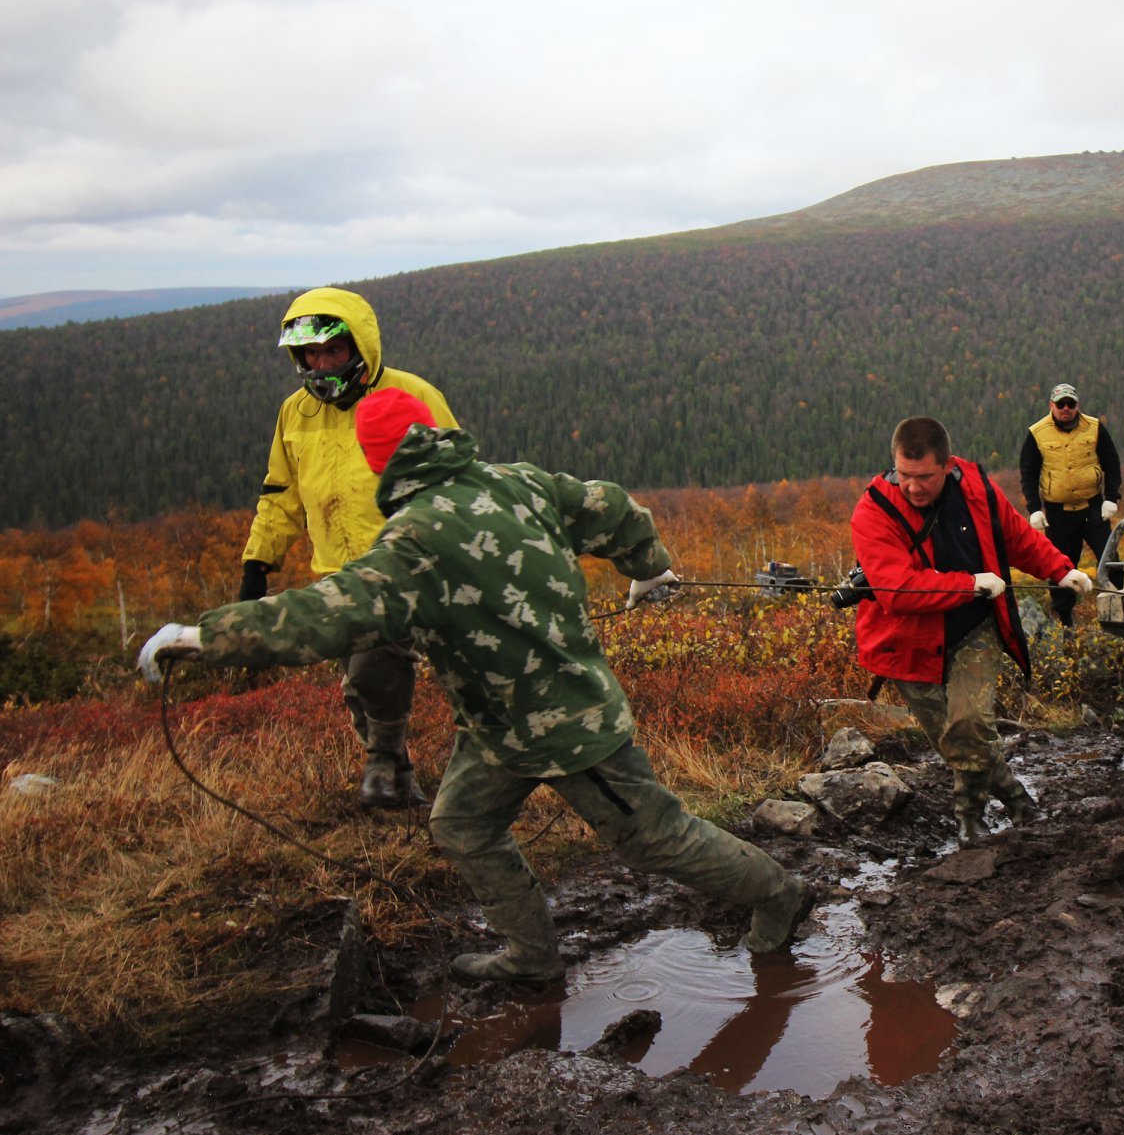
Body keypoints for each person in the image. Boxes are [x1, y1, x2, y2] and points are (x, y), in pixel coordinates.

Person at [140, 389, 813, 983]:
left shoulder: (413, 539)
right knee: (462, 823)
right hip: (498, 728)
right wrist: (648, 567)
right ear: (435, 436)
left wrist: (203, 638)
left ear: (378, 463)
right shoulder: (519, 481)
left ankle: (778, 894)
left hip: (569, 728)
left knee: (655, 838)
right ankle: (531, 957)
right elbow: (615, 508)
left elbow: (323, 615)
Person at [240, 287, 458, 808]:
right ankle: (396, 778)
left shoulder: (412, 395)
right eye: (310, 354)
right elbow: (281, 493)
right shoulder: (295, 413)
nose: (321, 364)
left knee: (403, 671)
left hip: (412, 565)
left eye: (332, 351)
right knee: (365, 684)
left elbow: (456, 476)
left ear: (359, 345)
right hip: (339, 570)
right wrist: (258, 562)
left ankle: (426, 773)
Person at [850, 416, 1091, 841]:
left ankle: (968, 819)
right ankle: (1018, 800)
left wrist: (1060, 569)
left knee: (968, 724)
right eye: (903, 476)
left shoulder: (977, 487)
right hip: (908, 642)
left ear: (947, 466)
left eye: (924, 477)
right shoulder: (873, 510)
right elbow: (898, 592)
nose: (912, 487)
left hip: (975, 627)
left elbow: (1015, 537)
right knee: (957, 739)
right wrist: (970, 584)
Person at [1019, 382, 1122, 626]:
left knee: (1112, 561)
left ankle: (1123, 611)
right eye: (1061, 404)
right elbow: (1028, 472)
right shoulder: (1036, 433)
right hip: (1058, 513)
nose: (1066, 409)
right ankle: (1065, 624)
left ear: (1077, 405)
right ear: (1051, 405)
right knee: (1061, 569)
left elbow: (1112, 462)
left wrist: (1111, 498)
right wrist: (1034, 508)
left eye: (1071, 404)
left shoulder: (1095, 427)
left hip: (1094, 509)